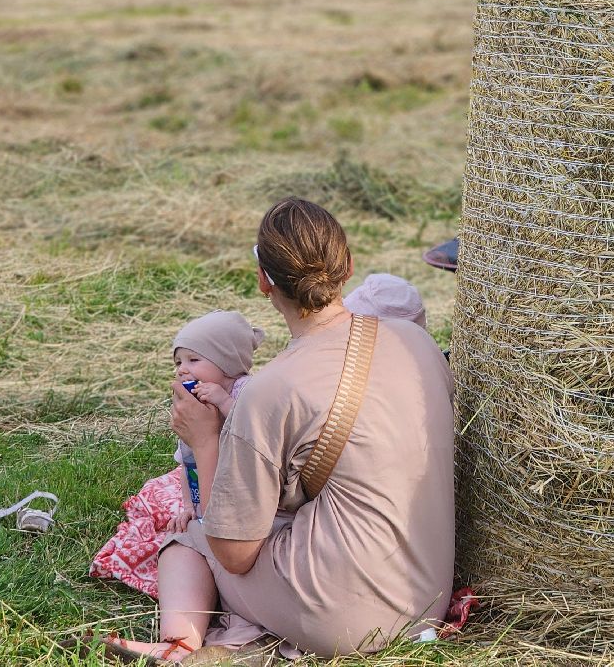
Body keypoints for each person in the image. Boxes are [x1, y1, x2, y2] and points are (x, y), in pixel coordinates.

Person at [103, 199, 455, 662]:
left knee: (187, 540)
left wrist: (205, 441)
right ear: (347, 266)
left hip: (346, 619)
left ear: (263, 281)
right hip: (427, 594)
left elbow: (233, 552)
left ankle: (181, 646)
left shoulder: (269, 391)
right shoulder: (415, 341)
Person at [90, 310, 265, 598]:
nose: (182, 369)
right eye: (178, 362)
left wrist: (224, 402)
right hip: (204, 483)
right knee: (171, 509)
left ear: (229, 362)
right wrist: (187, 505)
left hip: (244, 490)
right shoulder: (193, 401)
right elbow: (188, 460)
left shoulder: (246, 391)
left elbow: (254, 431)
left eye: (194, 360)